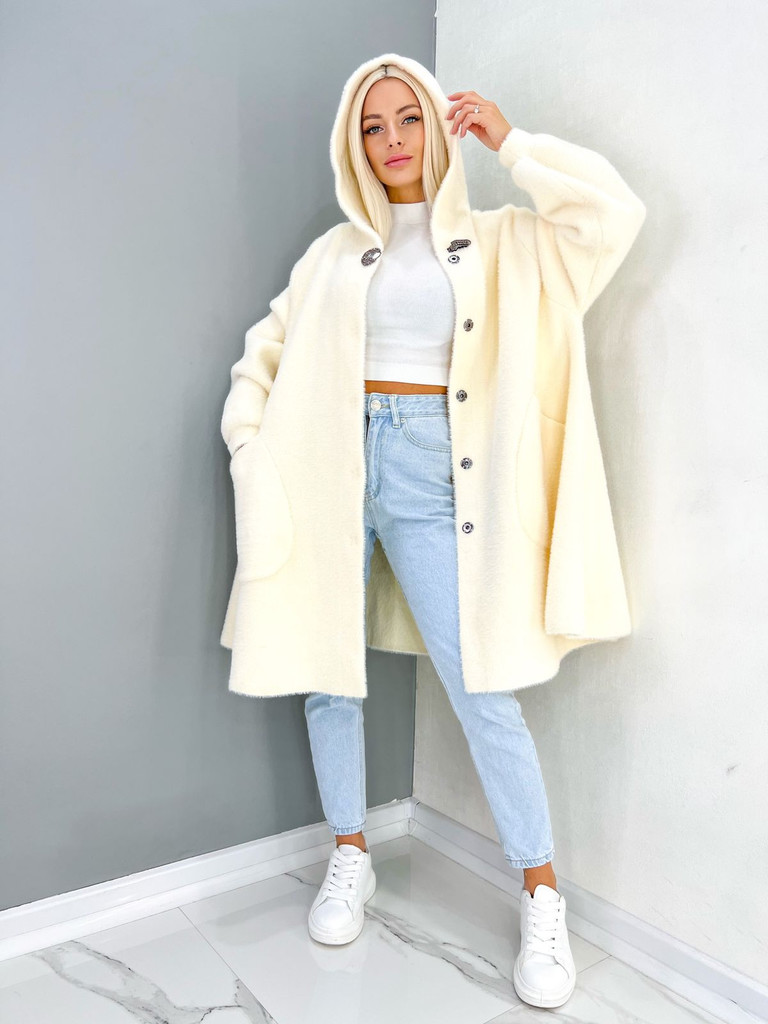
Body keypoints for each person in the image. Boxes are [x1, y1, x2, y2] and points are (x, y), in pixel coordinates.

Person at [220, 52, 646, 1010]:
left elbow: (609, 217)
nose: (392, 140)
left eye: (407, 117)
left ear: (437, 127)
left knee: (482, 684)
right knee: (327, 679)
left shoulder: (504, 242)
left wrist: (513, 142)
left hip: (432, 471)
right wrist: (250, 446)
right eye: (372, 127)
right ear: (355, 145)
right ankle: (350, 854)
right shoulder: (332, 255)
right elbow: (265, 353)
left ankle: (542, 895)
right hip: (329, 465)